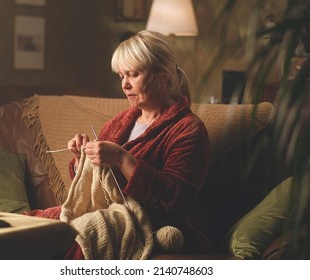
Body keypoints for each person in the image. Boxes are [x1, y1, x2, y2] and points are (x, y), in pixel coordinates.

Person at [26, 30, 210, 258]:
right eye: (121, 76)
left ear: (162, 76)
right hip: (104, 210)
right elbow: (97, 188)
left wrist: (123, 159)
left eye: (133, 74)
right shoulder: (119, 122)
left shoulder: (188, 129)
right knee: (29, 224)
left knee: (83, 232)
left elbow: (175, 199)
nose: (125, 85)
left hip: (153, 222)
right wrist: (82, 159)